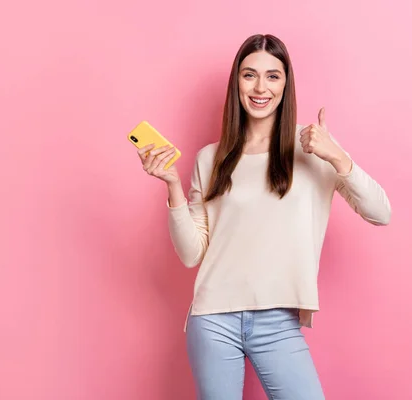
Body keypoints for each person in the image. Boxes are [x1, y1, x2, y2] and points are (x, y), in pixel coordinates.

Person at [136, 34, 391, 400]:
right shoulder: (211, 159)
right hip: (213, 318)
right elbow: (192, 253)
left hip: (278, 322)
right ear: (236, 83)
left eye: (273, 76)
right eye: (249, 75)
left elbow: (380, 213)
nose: (260, 87)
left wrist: (338, 157)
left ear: (286, 84)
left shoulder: (313, 146)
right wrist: (173, 185)